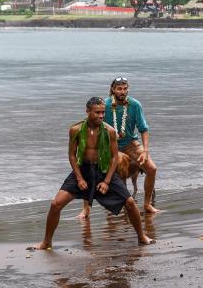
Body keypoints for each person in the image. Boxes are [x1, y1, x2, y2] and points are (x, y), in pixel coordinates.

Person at [31, 97, 154, 250]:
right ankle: (46, 242)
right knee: (55, 204)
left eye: (103, 112)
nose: (101, 116)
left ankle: (141, 236)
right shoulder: (75, 130)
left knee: (129, 203)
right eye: (97, 113)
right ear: (87, 111)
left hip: (103, 170)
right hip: (83, 170)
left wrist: (107, 181)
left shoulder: (109, 131)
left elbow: (115, 157)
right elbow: (71, 155)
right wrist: (79, 178)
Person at [81, 77, 159, 218]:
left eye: (125, 88)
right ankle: (86, 209)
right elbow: (92, 125)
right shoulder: (105, 105)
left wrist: (146, 150)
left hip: (130, 144)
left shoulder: (135, 105)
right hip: (109, 145)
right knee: (89, 170)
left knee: (152, 168)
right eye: (119, 89)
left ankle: (147, 204)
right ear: (113, 89)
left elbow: (144, 129)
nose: (122, 92)